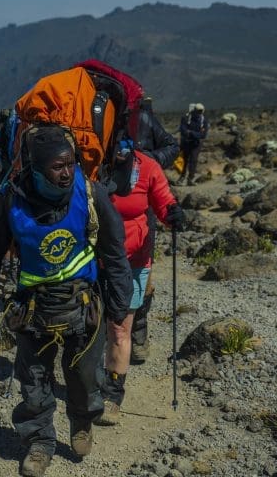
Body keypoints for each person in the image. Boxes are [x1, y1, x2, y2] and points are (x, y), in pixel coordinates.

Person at [0, 125, 132, 477]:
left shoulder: (90, 194)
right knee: (34, 380)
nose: (67, 173)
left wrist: (120, 306)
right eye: (57, 167)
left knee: (82, 375)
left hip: (83, 306)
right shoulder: (10, 200)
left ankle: (81, 422)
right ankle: (39, 442)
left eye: (70, 164)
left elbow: (115, 253)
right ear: (36, 167)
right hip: (33, 309)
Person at [95, 140, 185, 426]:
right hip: (91, 260)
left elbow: (163, 201)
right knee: (92, 327)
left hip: (133, 261)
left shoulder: (147, 167)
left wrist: (172, 213)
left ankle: (111, 396)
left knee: (120, 328)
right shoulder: (92, 164)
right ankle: (87, 384)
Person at [132, 97, 181, 363]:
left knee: (142, 273)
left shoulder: (142, 117)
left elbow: (172, 146)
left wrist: (147, 160)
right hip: (108, 208)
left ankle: (138, 334)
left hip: (142, 208)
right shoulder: (97, 120)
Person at [177, 103, 209, 186]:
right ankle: (182, 177)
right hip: (186, 143)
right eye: (198, 111)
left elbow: (203, 135)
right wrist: (196, 134)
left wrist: (190, 132)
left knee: (193, 160)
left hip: (196, 144)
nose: (199, 112)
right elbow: (183, 130)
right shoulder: (186, 118)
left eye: (200, 111)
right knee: (185, 160)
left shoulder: (203, 120)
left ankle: (190, 178)